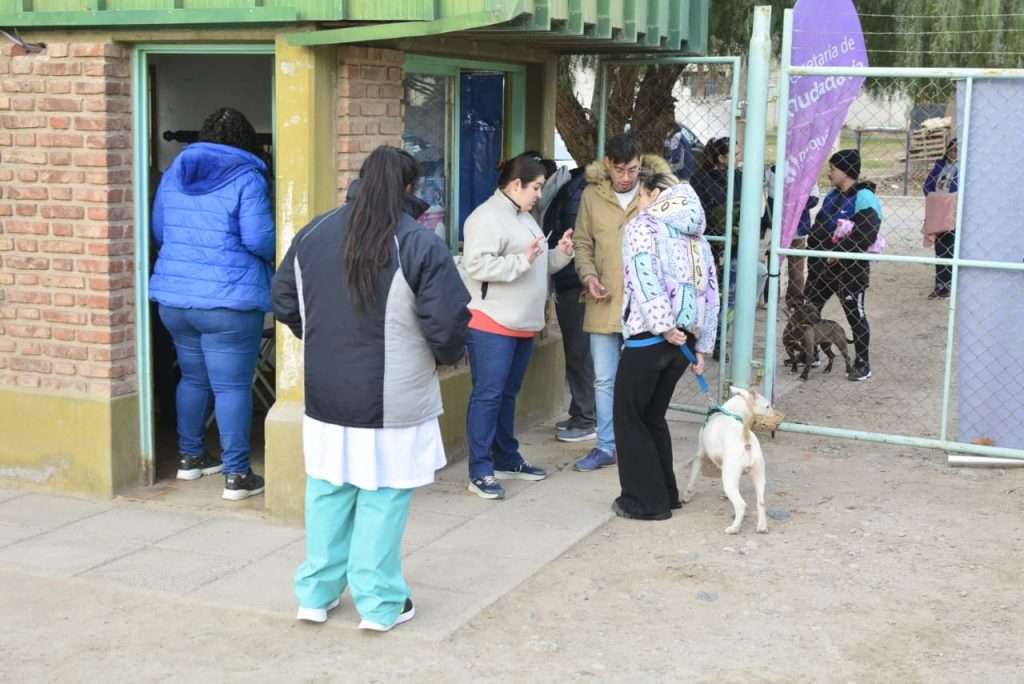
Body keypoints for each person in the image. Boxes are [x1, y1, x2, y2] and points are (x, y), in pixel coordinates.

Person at [273, 146, 471, 631]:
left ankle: (315, 595)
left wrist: (319, 337)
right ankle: (380, 603)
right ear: (410, 189)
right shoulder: (419, 242)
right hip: (393, 396)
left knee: (328, 489)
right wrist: (443, 359)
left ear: (359, 180)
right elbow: (448, 325)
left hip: (325, 392)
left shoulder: (314, 233)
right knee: (383, 496)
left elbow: (282, 300)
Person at [149, 107, 274, 501]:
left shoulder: (175, 173)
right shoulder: (248, 177)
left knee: (193, 378)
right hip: (228, 302)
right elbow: (259, 239)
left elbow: (158, 230)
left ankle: (191, 458)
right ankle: (237, 475)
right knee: (232, 385)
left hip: (175, 298)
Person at [461, 154, 576, 500]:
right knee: (488, 395)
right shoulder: (486, 217)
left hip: (521, 323)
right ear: (516, 185)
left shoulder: (523, 216)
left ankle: (506, 457)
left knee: (506, 395)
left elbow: (537, 264)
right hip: (492, 321)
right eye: (536, 187)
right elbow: (477, 265)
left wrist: (561, 254)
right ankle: (479, 470)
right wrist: (521, 261)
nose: (540, 194)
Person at [614, 172, 719, 520]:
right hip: (683, 342)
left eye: (641, 195)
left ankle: (644, 502)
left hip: (650, 334)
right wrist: (701, 344)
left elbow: (644, 277)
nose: (638, 203)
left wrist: (663, 324)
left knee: (630, 418)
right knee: (653, 416)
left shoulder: (644, 226)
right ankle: (666, 494)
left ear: (656, 193)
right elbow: (711, 293)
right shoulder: (697, 236)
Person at [573, 134, 672, 472]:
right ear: (608, 166)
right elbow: (583, 244)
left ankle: (636, 441)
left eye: (632, 169)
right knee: (603, 378)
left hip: (644, 307)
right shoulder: (590, 196)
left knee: (641, 379)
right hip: (603, 301)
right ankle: (605, 445)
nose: (626, 177)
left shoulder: (655, 194)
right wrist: (588, 277)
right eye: (620, 170)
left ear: (641, 163)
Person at [805, 149, 883, 382]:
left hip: (850, 270)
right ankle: (812, 353)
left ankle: (862, 363)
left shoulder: (865, 197)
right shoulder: (832, 197)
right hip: (823, 268)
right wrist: (818, 251)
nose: (829, 173)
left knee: (854, 314)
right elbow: (819, 227)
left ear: (846, 171)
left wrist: (839, 253)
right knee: (810, 308)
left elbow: (866, 233)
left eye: (833, 169)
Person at [544, 164, 597, 443]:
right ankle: (581, 411)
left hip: (575, 282)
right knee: (580, 352)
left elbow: (576, 239)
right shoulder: (576, 188)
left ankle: (586, 417)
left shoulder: (578, 190)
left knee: (580, 352)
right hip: (574, 280)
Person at [763, 164, 820, 308]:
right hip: (777, 227)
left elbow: (814, 198)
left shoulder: (806, 172)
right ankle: (772, 298)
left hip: (796, 228)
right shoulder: (773, 171)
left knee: (794, 266)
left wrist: (793, 204)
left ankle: (794, 300)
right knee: (776, 265)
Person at [922, 138, 959, 299]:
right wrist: (936, 198)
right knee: (940, 248)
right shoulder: (940, 166)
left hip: (953, 213)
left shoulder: (964, 168)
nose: (953, 152)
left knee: (951, 248)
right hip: (938, 212)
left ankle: (949, 284)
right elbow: (927, 186)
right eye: (951, 149)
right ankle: (940, 284)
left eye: (957, 150)